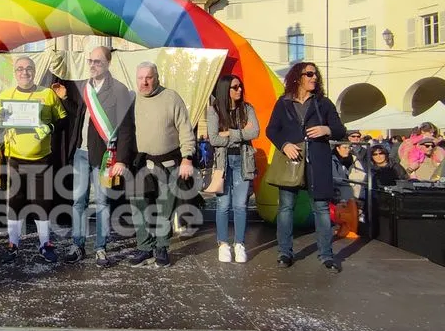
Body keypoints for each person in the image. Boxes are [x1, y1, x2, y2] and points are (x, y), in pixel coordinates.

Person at [55, 46, 135, 268]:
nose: (92, 65)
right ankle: (77, 245)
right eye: (90, 61)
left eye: (97, 61)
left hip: (103, 157)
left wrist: (122, 159)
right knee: (78, 202)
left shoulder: (119, 90)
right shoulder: (84, 87)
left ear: (108, 63)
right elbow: (78, 114)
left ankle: (100, 248)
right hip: (80, 153)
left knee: (102, 202)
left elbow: (127, 128)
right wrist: (64, 99)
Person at [266, 62, 346, 272]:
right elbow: (271, 130)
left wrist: (325, 129)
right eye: (309, 74)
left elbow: (340, 130)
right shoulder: (283, 103)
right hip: (291, 162)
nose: (314, 78)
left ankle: (326, 255)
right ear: (297, 77)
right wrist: (284, 144)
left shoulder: (323, 103)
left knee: (320, 208)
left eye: (315, 74)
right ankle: (284, 252)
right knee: (285, 208)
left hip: (317, 162)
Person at [0, 56, 66, 263]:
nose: (24, 72)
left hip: (41, 158)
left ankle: (44, 244)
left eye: (28, 69)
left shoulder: (47, 94)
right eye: (19, 69)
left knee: (42, 203)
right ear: (14, 73)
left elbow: (63, 119)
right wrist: (0, 121)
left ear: (34, 71)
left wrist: (50, 127)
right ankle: (13, 244)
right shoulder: (5, 95)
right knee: (14, 203)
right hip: (15, 158)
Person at [129, 62, 195, 268]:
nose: (144, 82)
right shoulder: (132, 100)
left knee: (164, 208)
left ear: (157, 77)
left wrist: (187, 157)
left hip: (168, 163)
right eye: (140, 78)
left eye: (148, 77)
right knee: (139, 206)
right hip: (141, 163)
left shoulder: (171, 97)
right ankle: (144, 246)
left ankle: (161, 247)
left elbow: (185, 128)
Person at [207, 74, 260, 264]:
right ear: (225, 90)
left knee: (240, 205)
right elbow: (213, 139)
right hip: (223, 162)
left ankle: (239, 244)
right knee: (223, 205)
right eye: (235, 87)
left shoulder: (247, 108)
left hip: (243, 160)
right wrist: (241, 134)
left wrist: (229, 133)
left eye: (240, 87)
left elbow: (255, 132)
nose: (239, 90)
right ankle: (223, 244)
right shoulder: (214, 111)